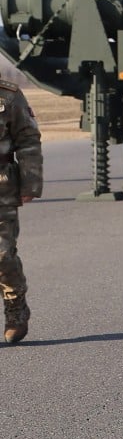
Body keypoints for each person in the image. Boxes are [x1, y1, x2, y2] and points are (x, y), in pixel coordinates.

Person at [0, 80, 43, 344]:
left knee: (2, 255)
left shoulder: (8, 95)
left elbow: (27, 139)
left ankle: (16, 306)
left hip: (1, 187)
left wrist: (30, 183)